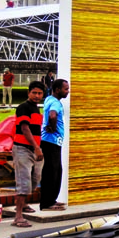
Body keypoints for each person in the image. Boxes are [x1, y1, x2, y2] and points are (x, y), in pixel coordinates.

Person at [12, 81, 46, 227]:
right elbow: (25, 129)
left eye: (39, 93)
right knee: (23, 181)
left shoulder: (36, 109)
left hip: (34, 148)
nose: (37, 96)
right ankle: (18, 217)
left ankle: (23, 204)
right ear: (28, 93)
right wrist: (36, 148)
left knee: (35, 177)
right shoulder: (23, 107)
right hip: (22, 148)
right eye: (34, 93)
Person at [40, 79, 69, 211]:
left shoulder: (49, 99)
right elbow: (52, 116)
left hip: (51, 142)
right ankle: (47, 203)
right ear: (57, 89)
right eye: (65, 89)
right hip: (51, 141)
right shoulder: (55, 103)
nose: (67, 91)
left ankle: (51, 200)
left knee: (56, 171)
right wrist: (52, 127)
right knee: (52, 172)